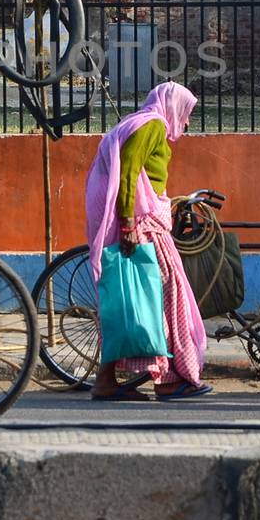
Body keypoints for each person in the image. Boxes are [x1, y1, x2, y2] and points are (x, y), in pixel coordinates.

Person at [84, 81, 213, 402]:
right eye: (186, 112)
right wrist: (128, 221)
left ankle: (108, 379)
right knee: (168, 292)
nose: (186, 120)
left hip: (143, 213)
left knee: (132, 298)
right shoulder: (153, 125)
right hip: (139, 220)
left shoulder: (140, 122)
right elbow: (128, 170)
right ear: (172, 105)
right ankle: (169, 379)